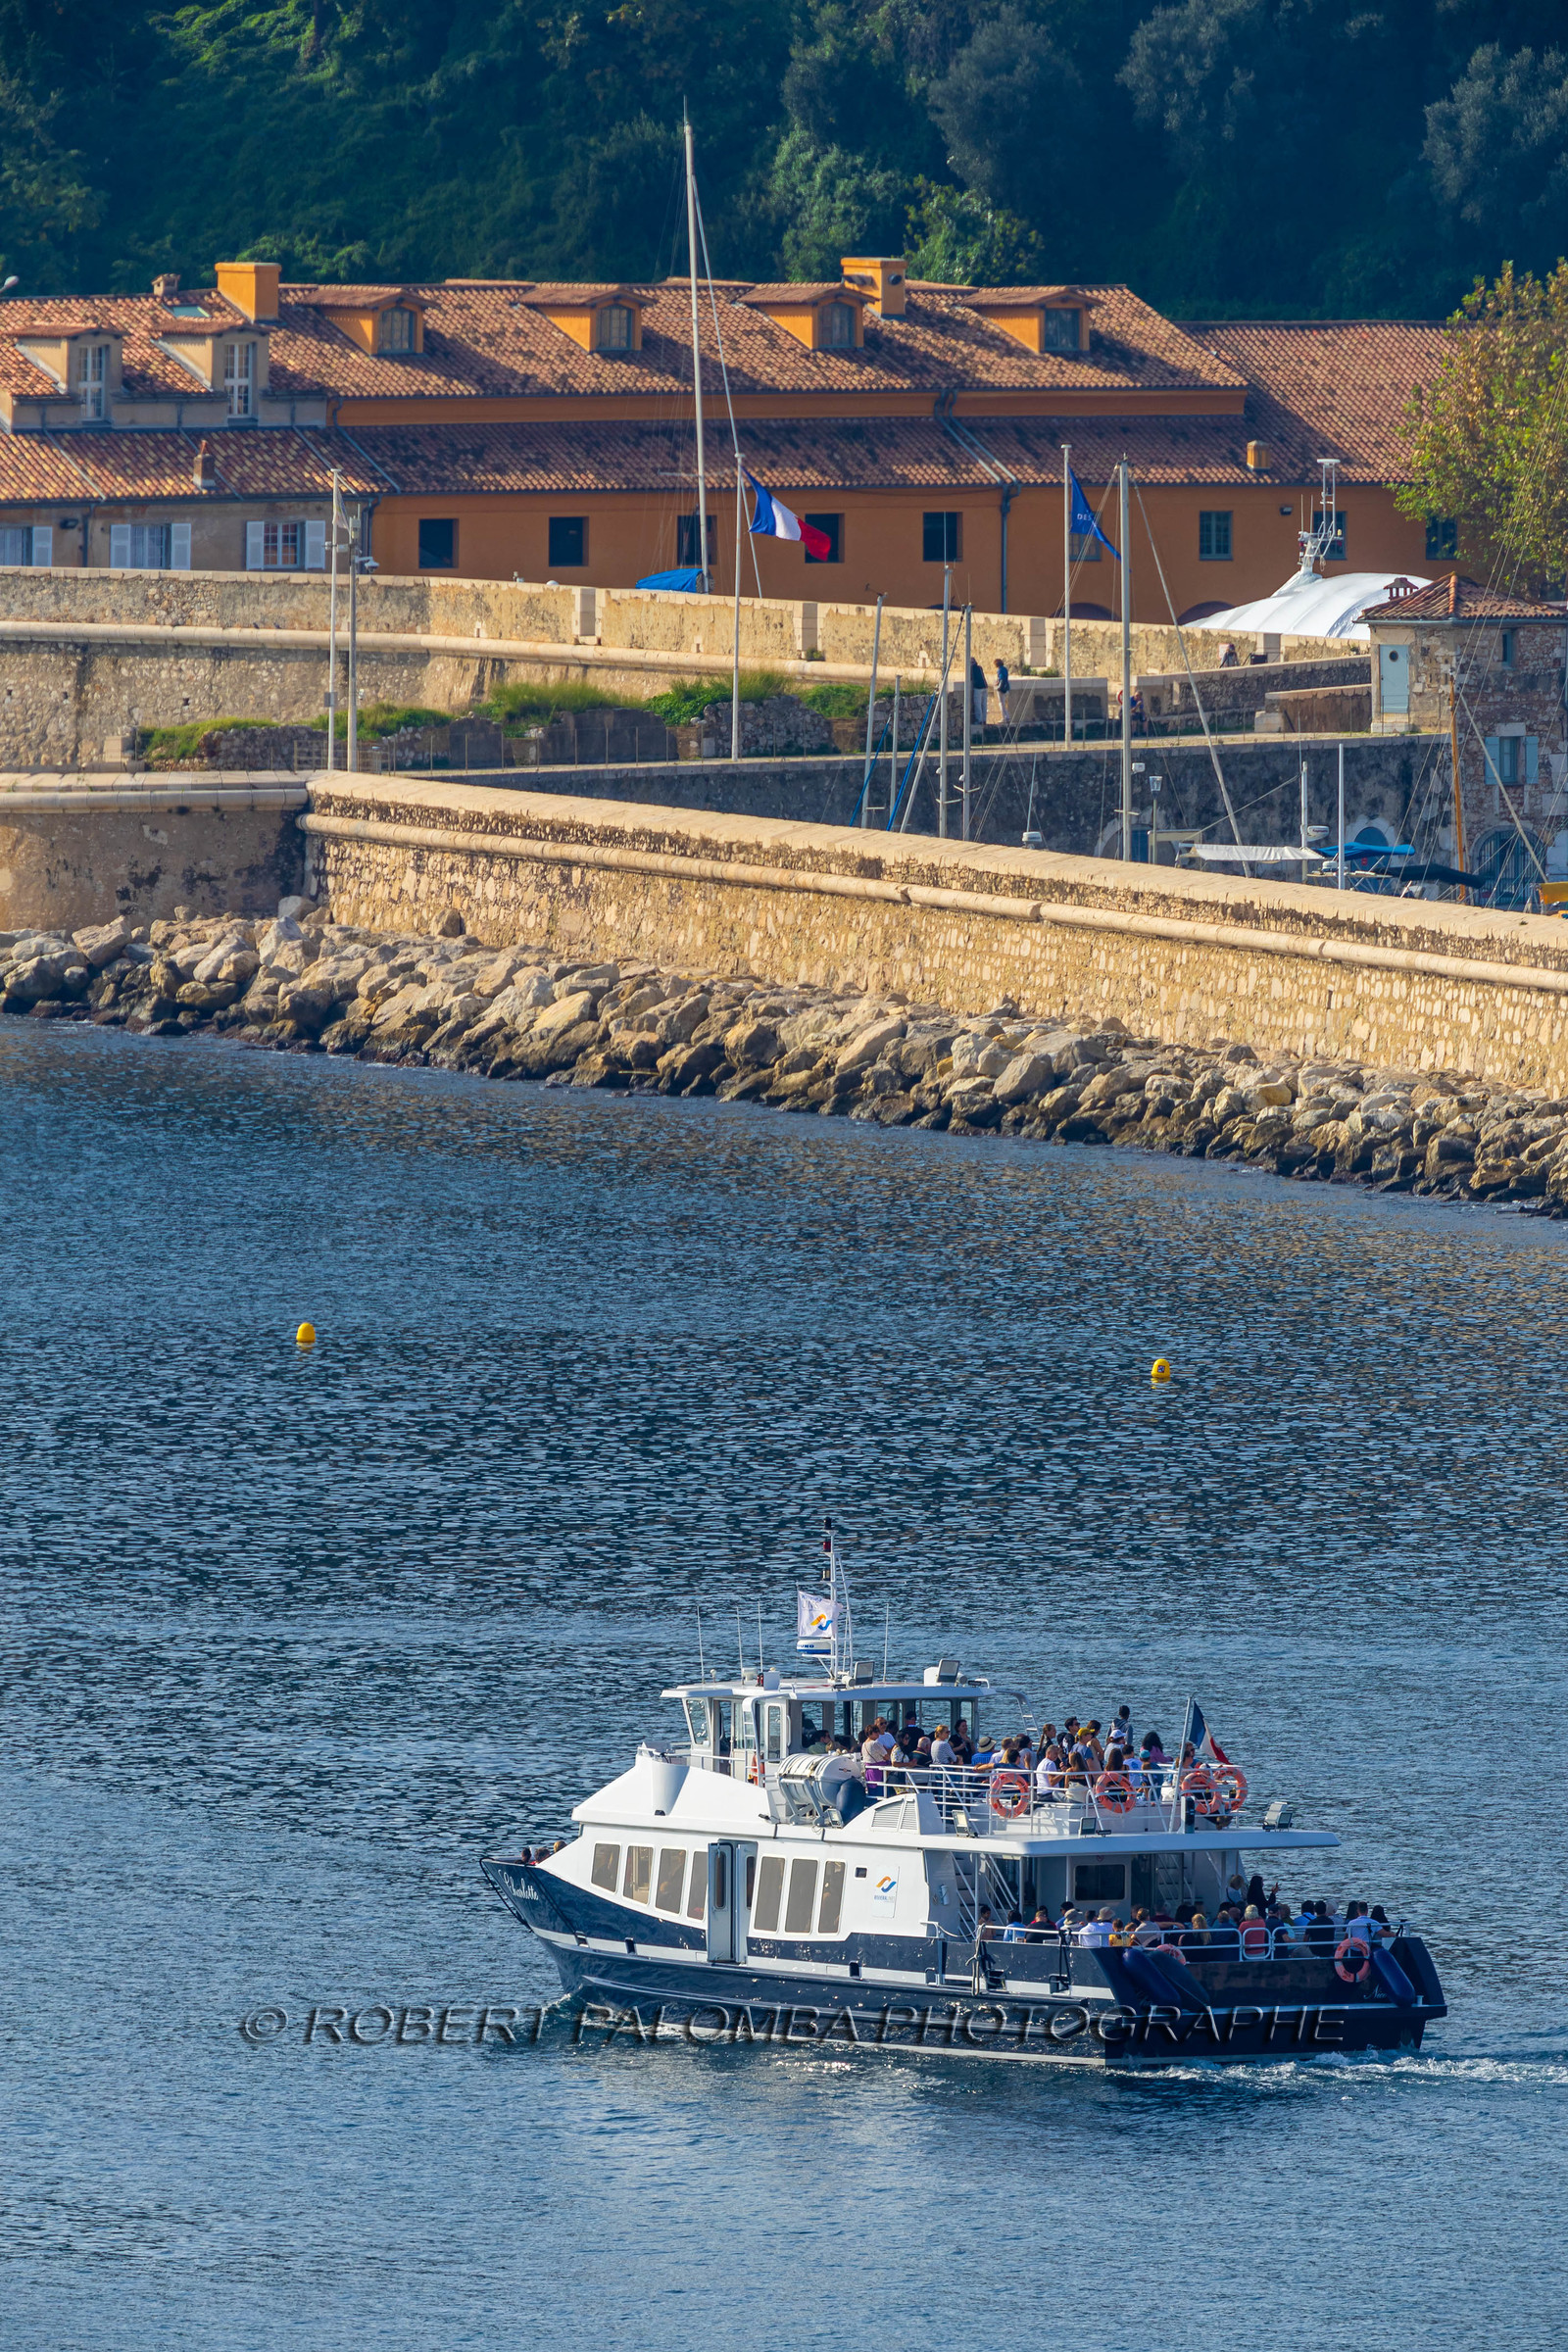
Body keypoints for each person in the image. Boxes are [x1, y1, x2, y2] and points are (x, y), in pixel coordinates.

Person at [969, 656, 988, 731]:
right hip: (985, 686)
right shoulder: (980, 667)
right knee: (984, 704)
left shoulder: (971, 669)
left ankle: (979, 720)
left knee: (978, 704)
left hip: (978, 687)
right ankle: (984, 719)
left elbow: (970, 678)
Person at [995, 658, 1010, 728]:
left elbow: (1001, 679)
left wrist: (998, 687)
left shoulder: (1000, 670)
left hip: (1001, 689)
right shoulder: (1005, 669)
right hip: (1007, 688)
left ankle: (1004, 717)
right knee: (1004, 703)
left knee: (1001, 703)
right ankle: (1007, 717)